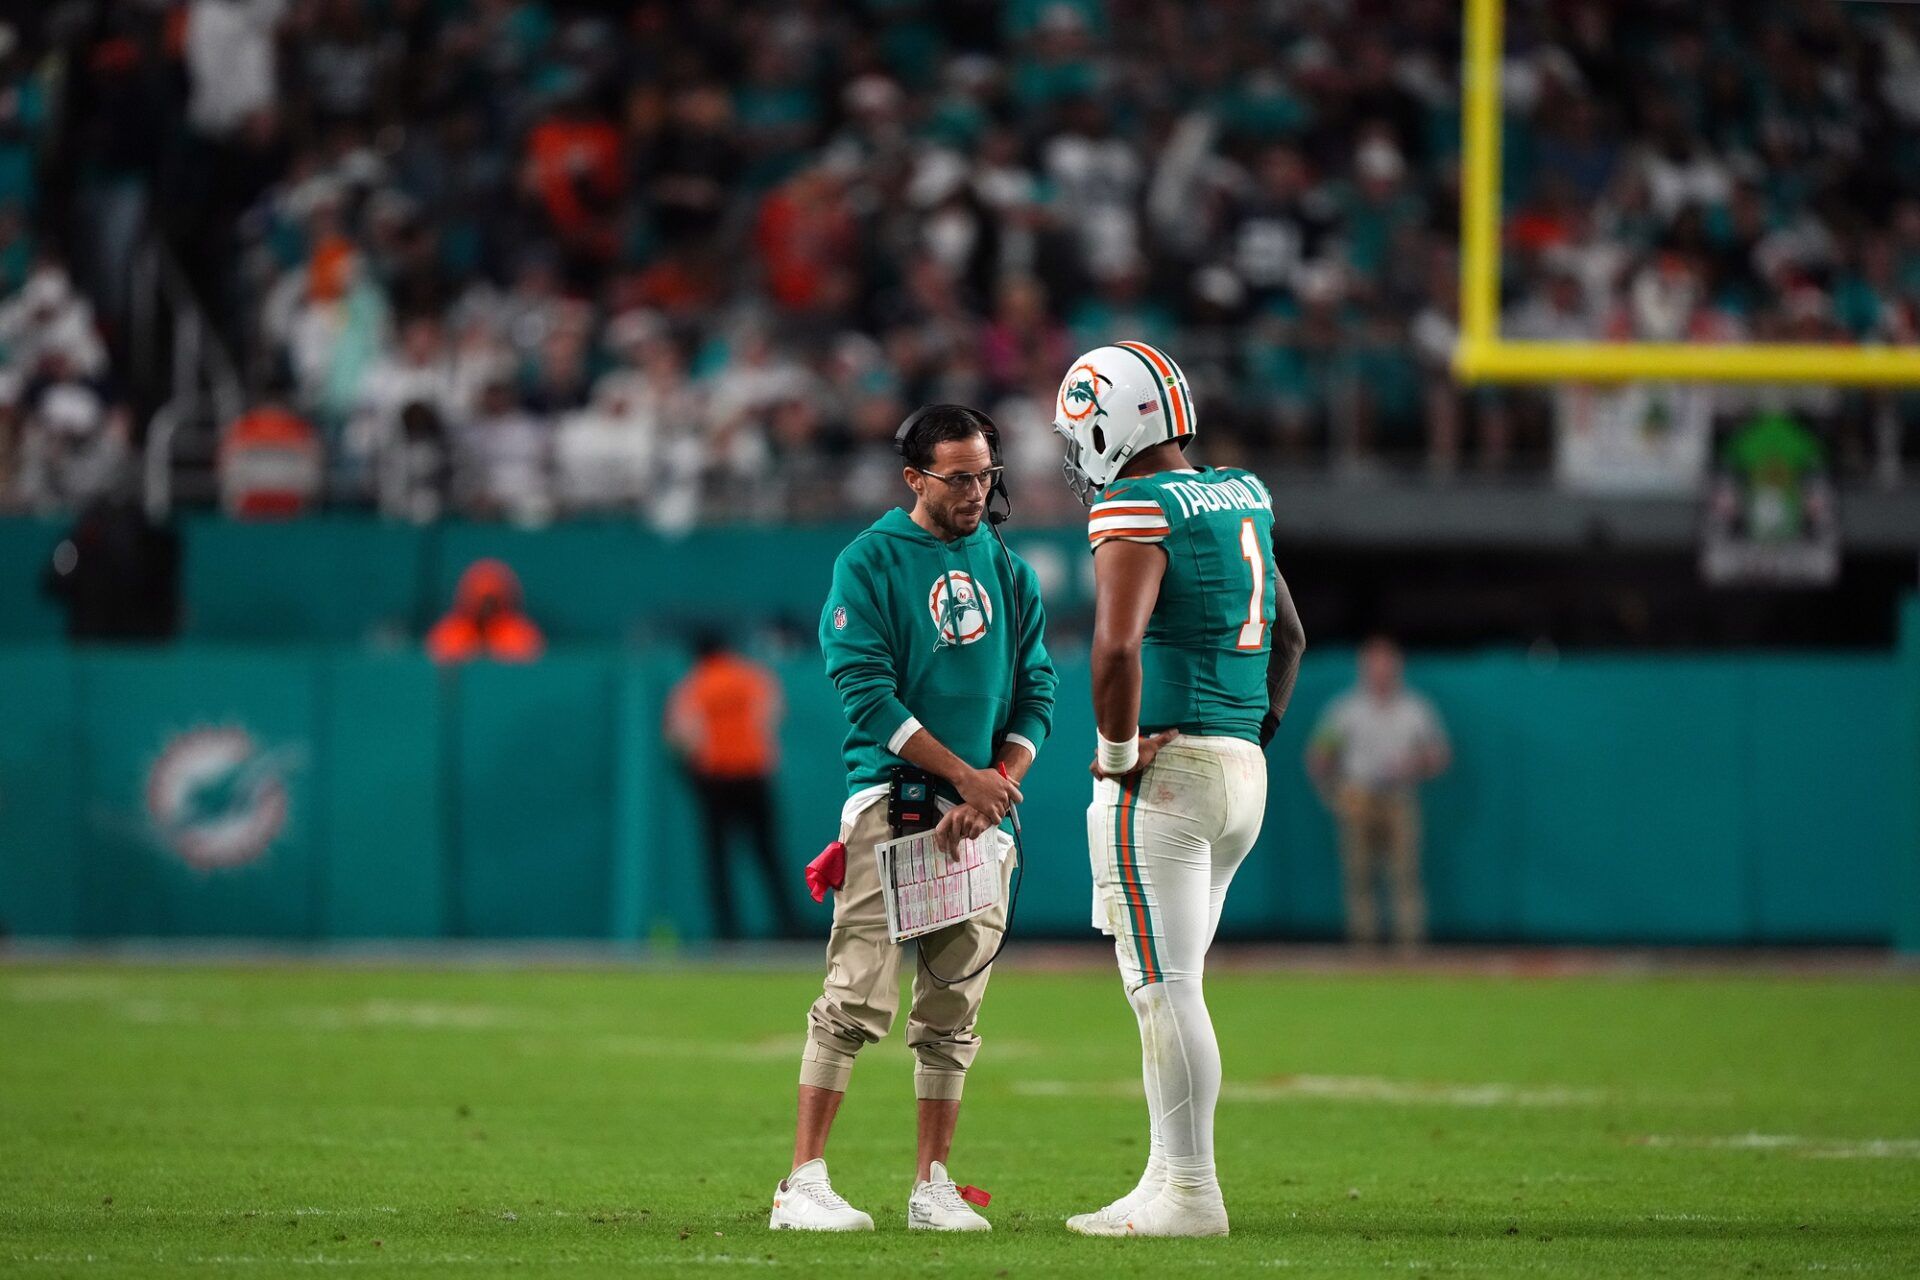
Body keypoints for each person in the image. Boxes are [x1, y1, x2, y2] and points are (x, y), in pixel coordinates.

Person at [772, 405, 1056, 1233]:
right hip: (893, 804)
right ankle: (802, 1181)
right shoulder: (868, 560)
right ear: (915, 478)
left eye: (985, 474)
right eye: (958, 476)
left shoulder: (1009, 567)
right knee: (856, 994)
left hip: (979, 817)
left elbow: (1039, 690)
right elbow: (864, 689)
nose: (975, 491)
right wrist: (965, 777)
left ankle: (933, 1184)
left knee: (953, 1010)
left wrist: (995, 783)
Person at [1053, 341, 1306, 1238]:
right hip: (1242, 769)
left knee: (1164, 990)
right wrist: (1253, 735)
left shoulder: (1137, 503)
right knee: (1177, 981)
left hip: (1169, 778)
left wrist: (1119, 756)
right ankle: (1166, 1181)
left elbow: (1116, 648)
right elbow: (1292, 637)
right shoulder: (1240, 490)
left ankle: (1192, 1192)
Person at [1306, 637, 1450, 948]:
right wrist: (1332, 793)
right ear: (1363, 668)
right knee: (1359, 875)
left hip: (1399, 798)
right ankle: (1364, 950)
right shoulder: (1346, 709)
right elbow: (1319, 755)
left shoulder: (1415, 709)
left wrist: (1415, 765)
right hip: (1358, 797)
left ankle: (1410, 950)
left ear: (1397, 667)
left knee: (1404, 874)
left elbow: (1439, 755)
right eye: (1374, 665)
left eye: (1387, 665)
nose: (1380, 672)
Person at [665, 632, 798, 940]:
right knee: (769, 855)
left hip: (716, 778)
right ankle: (788, 924)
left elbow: (680, 736)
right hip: (755, 774)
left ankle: (727, 930)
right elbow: (773, 714)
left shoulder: (694, 685)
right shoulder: (752, 677)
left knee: (718, 859)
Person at [425, 559, 545, 664]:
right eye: (481, 601)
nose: (486, 609)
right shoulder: (452, 630)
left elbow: (528, 663)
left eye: (492, 602)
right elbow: (438, 655)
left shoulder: (518, 632)